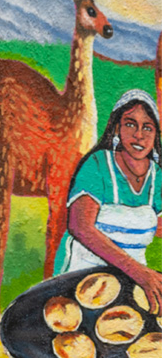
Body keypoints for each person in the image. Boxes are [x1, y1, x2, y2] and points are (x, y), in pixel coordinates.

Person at [54, 89, 162, 314]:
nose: (139, 135)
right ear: (116, 128)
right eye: (130, 124)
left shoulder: (157, 177)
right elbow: (80, 226)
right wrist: (140, 272)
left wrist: (143, 276)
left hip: (131, 283)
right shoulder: (97, 165)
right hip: (83, 279)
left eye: (147, 127)